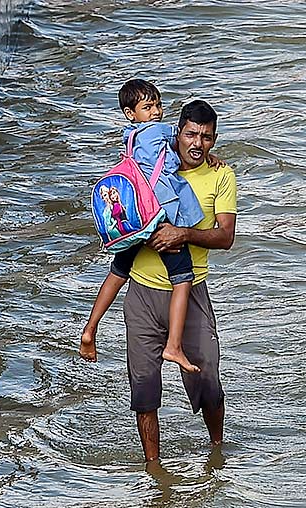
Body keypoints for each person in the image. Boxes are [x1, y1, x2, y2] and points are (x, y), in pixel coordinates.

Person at [115, 99, 236, 461]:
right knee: (144, 390)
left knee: (209, 380)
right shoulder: (147, 164)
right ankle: (154, 470)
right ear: (176, 132)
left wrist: (182, 234)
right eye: (191, 134)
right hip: (142, 292)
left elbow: (226, 236)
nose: (198, 144)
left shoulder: (221, 176)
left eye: (207, 138)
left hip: (192, 291)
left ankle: (217, 453)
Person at [81, 79, 209, 374]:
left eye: (158, 105)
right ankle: (174, 346)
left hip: (135, 219)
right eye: (148, 107)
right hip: (157, 215)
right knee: (182, 277)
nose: (156, 112)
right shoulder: (158, 132)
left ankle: (90, 328)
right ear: (130, 112)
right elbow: (186, 143)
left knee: (119, 270)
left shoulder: (130, 137)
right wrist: (208, 154)